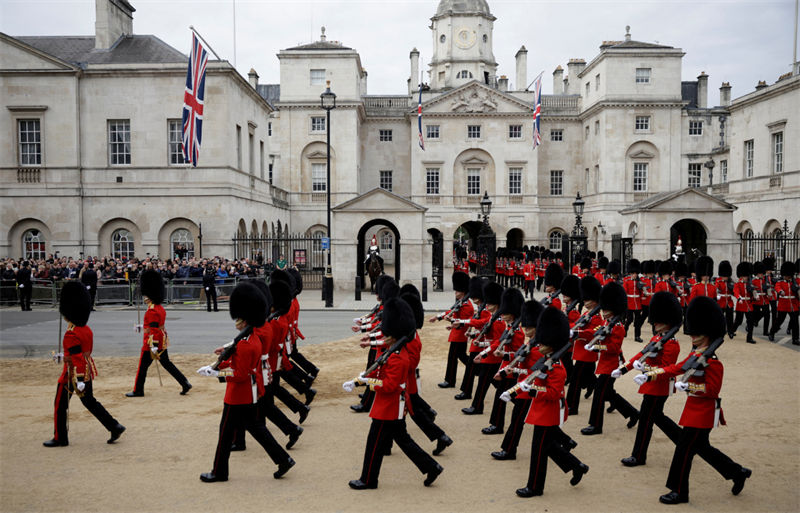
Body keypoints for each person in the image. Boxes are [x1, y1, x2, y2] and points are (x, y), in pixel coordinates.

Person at [633, 296, 751, 504]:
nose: (692, 336)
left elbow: (712, 390)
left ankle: (679, 491)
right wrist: (651, 374)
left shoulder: (713, 363)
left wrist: (690, 386)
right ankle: (736, 471)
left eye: (697, 333)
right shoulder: (695, 355)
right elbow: (676, 368)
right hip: (692, 411)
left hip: (703, 413)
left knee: (684, 451)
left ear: (708, 334)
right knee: (702, 448)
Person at [196, 282, 295, 482]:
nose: (237, 323)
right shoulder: (250, 340)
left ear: (245, 320)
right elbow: (238, 360)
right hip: (249, 393)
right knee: (257, 429)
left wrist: (216, 374)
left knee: (225, 434)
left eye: (239, 319)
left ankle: (219, 472)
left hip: (238, 395)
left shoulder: (245, 344)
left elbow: (239, 373)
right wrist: (220, 363)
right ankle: (283, 459)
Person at [343, 297, 443, 489]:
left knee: (374, 444)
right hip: (388, 405)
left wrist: (366, 383)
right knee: (404, 441)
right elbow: (376, 368)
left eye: (386, 333)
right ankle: (431, 467)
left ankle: (368, 479)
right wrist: (357, 380)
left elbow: (388, 385)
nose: (384, 335)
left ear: (394, 334)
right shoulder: (392, 350)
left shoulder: (399, 358)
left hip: (389, 406)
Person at [514, 307, 589, 497]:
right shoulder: (546, 361)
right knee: (547, 447)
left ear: (552, 344)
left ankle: (535, 487)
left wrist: (532, 390)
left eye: (543, 343)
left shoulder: (557, 368)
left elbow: (554, 393)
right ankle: (576, 466)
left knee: (538, 451)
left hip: (548, 413)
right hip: (541, 410)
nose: (539, 346)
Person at [44, 282, 125, 447]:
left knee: (60, 405)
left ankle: (60, 437)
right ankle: (114, 425)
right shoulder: (85, 329)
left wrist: (79, 379)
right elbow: (79, 353)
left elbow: (77, 358)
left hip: (73, 374)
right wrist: (64, 356)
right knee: (90, 402)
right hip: (85, 370)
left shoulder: (71, 333)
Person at [612, 292, 682, 466]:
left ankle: (638, 455)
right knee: (658, 418)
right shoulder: (657, 338)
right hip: (651, 385)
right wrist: (623, 369)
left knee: (645, 422)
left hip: (659, 387)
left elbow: (666, 369)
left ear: (668, 321)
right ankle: (685, 442)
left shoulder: (671, 343)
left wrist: (646, 370)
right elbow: (640, 355)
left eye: (658, 320)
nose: (654, 322)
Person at [580, 281, 639, 435]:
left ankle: (596, 425)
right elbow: (594, 332)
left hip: (612, 364)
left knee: (599, 394)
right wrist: (579, 334)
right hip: (605, 363)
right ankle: (633, 413)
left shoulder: (618, 326)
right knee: (607, 393)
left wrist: (597, 347)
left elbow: (614, 348)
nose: (603, 311)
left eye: (606, 309)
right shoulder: (607, 322)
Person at [126, 270, 192, 397]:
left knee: (142, 367)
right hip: (160, 339)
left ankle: (138, 390)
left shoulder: (152, 310)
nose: (144, 298)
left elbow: (154, 329)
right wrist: (141, 327)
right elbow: (153, 326)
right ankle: (184, 382)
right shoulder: (159, 308)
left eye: (146, 296)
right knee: (167, 363)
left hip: (152, 343)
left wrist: (153, 346)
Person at [429, 271, 473, 389]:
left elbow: (462, 324)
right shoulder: (460, 303)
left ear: (463, 292)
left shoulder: (467, 305)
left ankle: (450, 380)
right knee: (461, 356)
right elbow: (450, 312)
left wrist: (450, 321)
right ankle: (475, 369)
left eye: (457, 291)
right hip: (457, 334)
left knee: (453, 358)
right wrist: (438, 317)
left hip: (460, 336)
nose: (455, 293)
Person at [768, 261, 799, 345]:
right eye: (786, 276)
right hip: (783, 305)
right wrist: (780, 291)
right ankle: (772, 332)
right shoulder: (780, 282)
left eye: (788, 276)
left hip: (793, 305)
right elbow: (777, 288)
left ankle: (795, 339)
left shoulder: (794, 282)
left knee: (795, 322)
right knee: (779, 321)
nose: (787, 277)